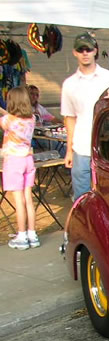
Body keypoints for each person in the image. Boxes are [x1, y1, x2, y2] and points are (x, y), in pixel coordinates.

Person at [60, 32, 109, 200]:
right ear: (75, 52)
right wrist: (69, 151)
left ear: (95, 51)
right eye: (81, 49)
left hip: (108, 147)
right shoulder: (69, 84)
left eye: (88, 49)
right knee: (82, 198)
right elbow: (69, 118)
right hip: (81, 148)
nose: (85, 53)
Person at [0, 87, 38, 250]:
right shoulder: (32, 119)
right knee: (28, 199)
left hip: (14, 161)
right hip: (28, 160)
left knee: (18, 200)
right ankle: (32, 234)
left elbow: (5, 118)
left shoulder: (8, 120)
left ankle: (21, 236)